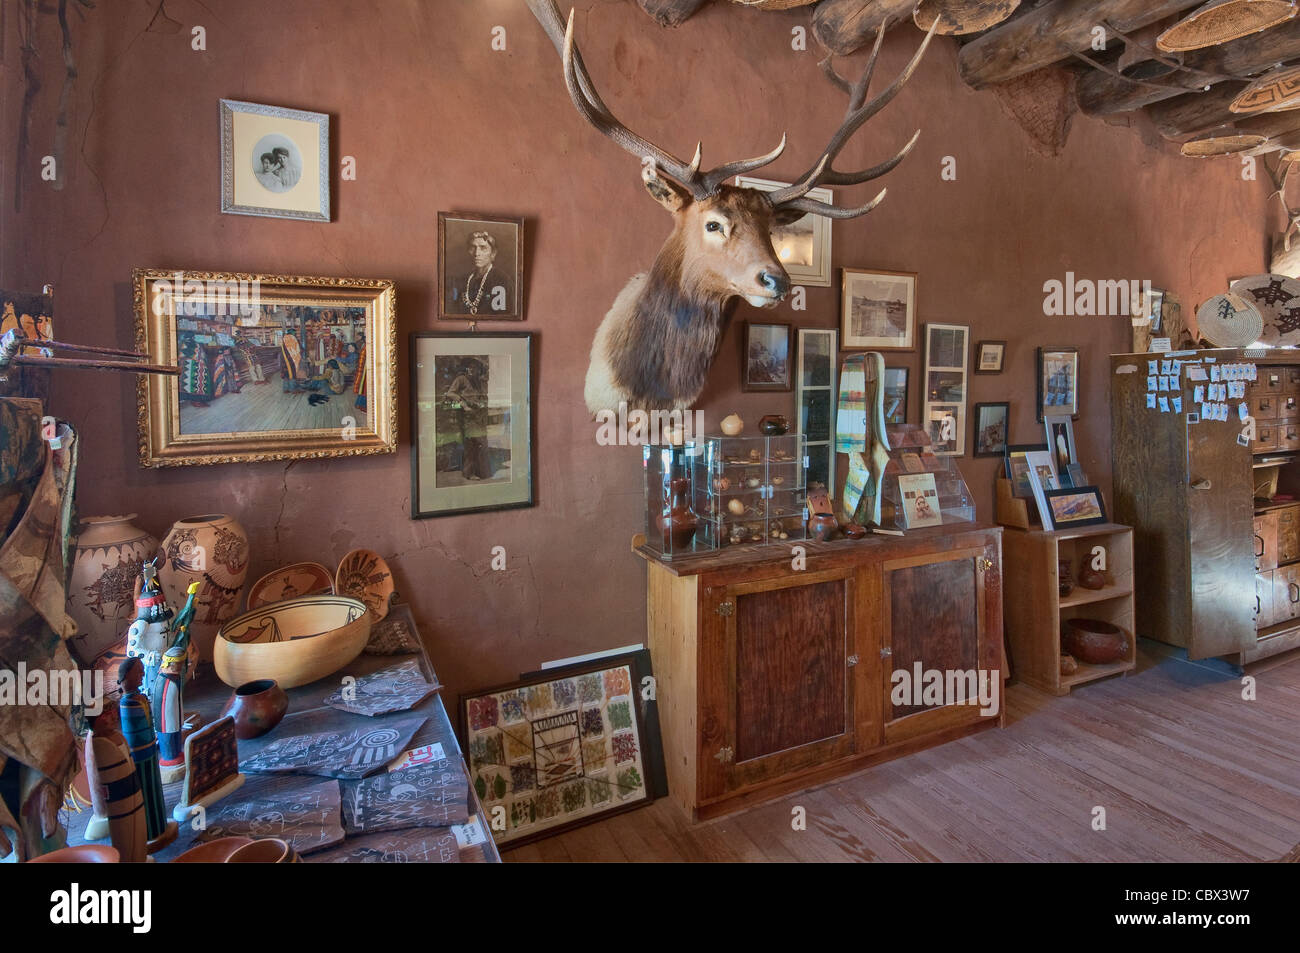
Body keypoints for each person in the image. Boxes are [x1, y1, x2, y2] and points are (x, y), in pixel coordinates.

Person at [445, 359, 491, 479]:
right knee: (470, 444)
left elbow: (482, 397)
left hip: (478, 416)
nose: (472, 369)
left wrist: (482, 406)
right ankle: (469, 473)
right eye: (470, 367)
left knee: (479, 444)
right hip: (467, 416)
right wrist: (463, 404)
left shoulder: (478, 381)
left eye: (474, 367)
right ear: (466, 368)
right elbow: (450, 393)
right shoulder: (461, 379)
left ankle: (480, 471)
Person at [449, 230, 513, 316]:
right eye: (473, 247)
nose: (476, 253)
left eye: (483, 248)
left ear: (493, 253)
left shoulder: (502, 280)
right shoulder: (461, 280)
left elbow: (502, 316)